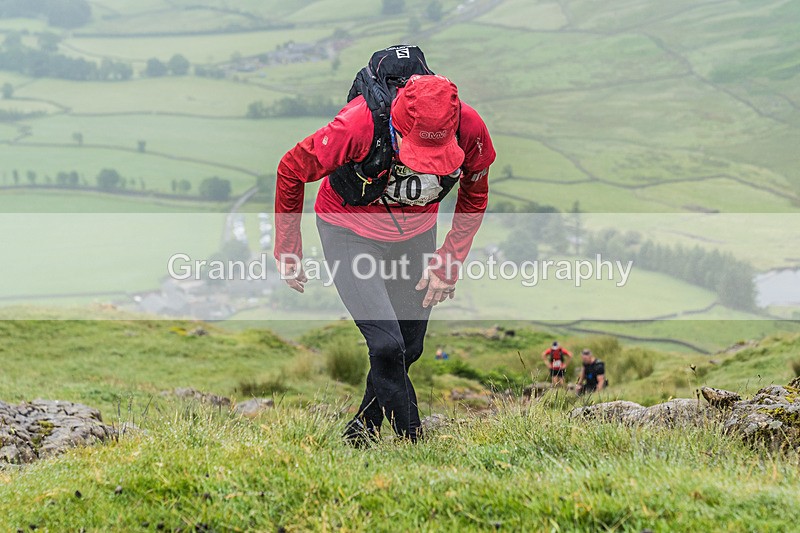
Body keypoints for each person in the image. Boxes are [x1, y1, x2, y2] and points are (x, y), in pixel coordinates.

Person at [274, 55, 496, 445]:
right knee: (385, 344)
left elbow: (475, 194)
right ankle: (415, 442)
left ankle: (359, 434)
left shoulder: (470, 127)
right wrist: (289, 248)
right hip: (348, 230)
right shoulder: (358, 124)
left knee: (409, 347)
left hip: (415, 234)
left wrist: (449, 260)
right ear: (397, 121)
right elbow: (291, 169)